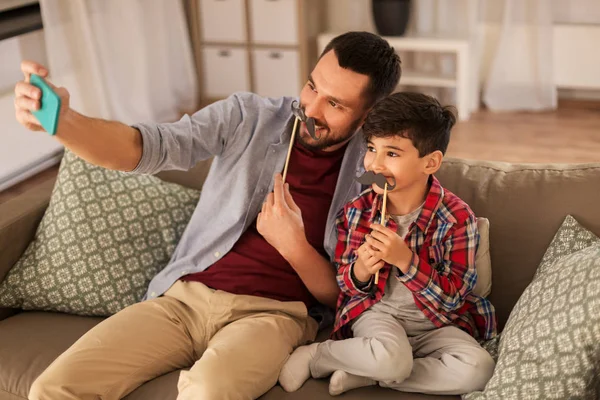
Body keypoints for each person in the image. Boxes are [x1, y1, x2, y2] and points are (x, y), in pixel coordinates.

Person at [13, 31, 401, 399]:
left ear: (367, 117)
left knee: (209, 392)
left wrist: (293, 245)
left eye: (335, 104)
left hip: (272, 316)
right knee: (52, 389)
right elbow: (146, 147)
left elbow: (347, 296)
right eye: (312, 86)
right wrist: (66, 122)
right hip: (182, 301)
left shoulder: (376, 180)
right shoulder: (248, 117)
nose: (311, 108)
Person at [278, 92, 497, 396]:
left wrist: (407, 262)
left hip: (437, 324)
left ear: (430, 162)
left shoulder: (457, 219)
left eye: (392, 154)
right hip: (379, 315)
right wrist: (362, 270)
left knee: (479, 369)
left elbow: (455, 299)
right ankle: (317, 356)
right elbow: (346, 285)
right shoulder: (358, 211)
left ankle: (368, 373)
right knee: (391, 357)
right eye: (371, 149)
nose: (375, 164)